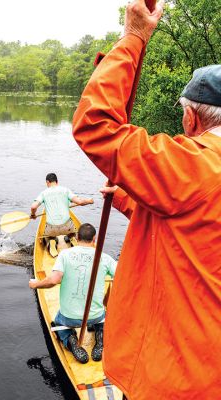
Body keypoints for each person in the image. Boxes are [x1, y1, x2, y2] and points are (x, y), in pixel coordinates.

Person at [72, 0, 221, 399]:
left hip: (177, 377)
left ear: (191, 119)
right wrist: (128, 195)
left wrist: (133, 38)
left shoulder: (196, 165)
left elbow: (96, 125)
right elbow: (196, 225)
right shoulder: (196, 180)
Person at [29, 223, 117, 364]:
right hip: (95, 316)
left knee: (57, 323)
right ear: (95, 238)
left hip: (69, 318)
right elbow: (123, 275)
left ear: (77, 237)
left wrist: (36, 284)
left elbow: (54, 280)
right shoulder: (104, 258)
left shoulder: (64, 254)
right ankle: (100, 339)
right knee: (104, 317)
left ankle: (72, 341)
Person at [30, 173, 93, 255]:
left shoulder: (44, 193)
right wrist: (89, 201)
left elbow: (33, 207)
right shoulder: (65, 190)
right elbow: (80, 202)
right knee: (72, 233)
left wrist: (33, 215)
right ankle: (72, 238)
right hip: (67, 226)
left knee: (48, 237)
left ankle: (52, 241)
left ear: (47, 182)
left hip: (51, 228)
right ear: (57, 181)